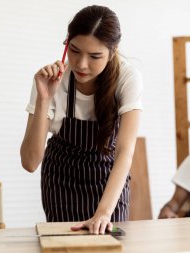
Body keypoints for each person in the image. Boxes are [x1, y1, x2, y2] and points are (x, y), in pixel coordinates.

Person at [20, 5, 142, 234]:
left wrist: (104, 213)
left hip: (109, 183)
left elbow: (125, 152)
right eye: (74, 51)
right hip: (61, 182)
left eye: (95, 56)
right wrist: (44, 98)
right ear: (66, 43)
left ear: (112, 52)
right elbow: (29, 162)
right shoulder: (49, 79)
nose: (81, 64)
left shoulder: (127, 77)